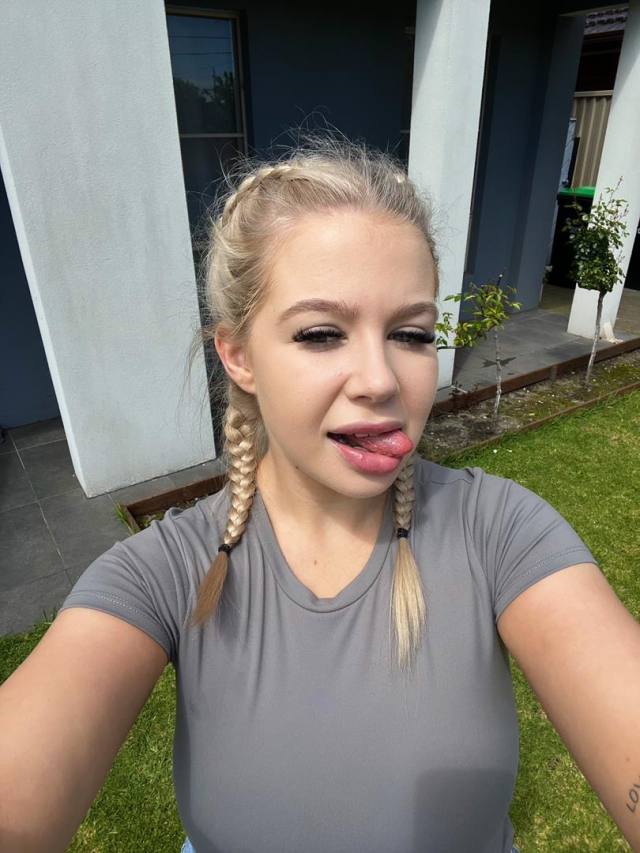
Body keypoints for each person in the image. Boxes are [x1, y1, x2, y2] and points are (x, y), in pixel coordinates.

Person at [1, 135, 639, 853]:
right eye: (321, 333)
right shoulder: (161, 574)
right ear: (238, 355)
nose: (380, 380)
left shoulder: (503, 532)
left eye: (411, 334)